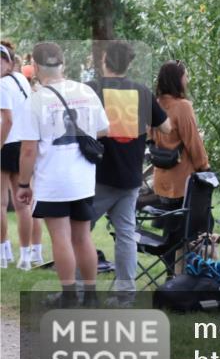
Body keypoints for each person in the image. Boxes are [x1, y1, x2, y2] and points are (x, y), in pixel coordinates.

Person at [15, 42, 109, 307]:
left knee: (61, 237)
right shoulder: (86, 91)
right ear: (63, 63)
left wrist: (23, 183)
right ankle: (90, 296)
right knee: (82, 237)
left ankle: (68, 295)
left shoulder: (36, 100)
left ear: (35, 66)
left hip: (53, 180)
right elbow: (103, 129)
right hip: (83, 178)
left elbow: (29, 150)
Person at [86, 41, 171, 303]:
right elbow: (166, 127)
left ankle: (78, 289)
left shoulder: (94, 90)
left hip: (99, 174)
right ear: (129, 64)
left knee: (78, 232)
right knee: (125, 234)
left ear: (105, 61)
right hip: (130, 174)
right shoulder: (142, 91)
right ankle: (124, 294)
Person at [151, 60, 210, 274]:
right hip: (182, 180)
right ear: (178, 79)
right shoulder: (182, 106)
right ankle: (187, 275)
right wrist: (204, 167)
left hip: (161, 179)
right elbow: (192, 141)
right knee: (190, 230)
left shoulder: (155, 104)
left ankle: (171, 273)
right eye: (185, 75)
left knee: (169, 231)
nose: (187, 80)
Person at [1, 42, 43, 269]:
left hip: (7, 143)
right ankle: (32, 254)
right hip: (25, 143)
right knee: (26, 203)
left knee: (3, 204)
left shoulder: (2, 85)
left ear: (9, 61)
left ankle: (4, 254)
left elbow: (7, 120)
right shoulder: (21, 81)